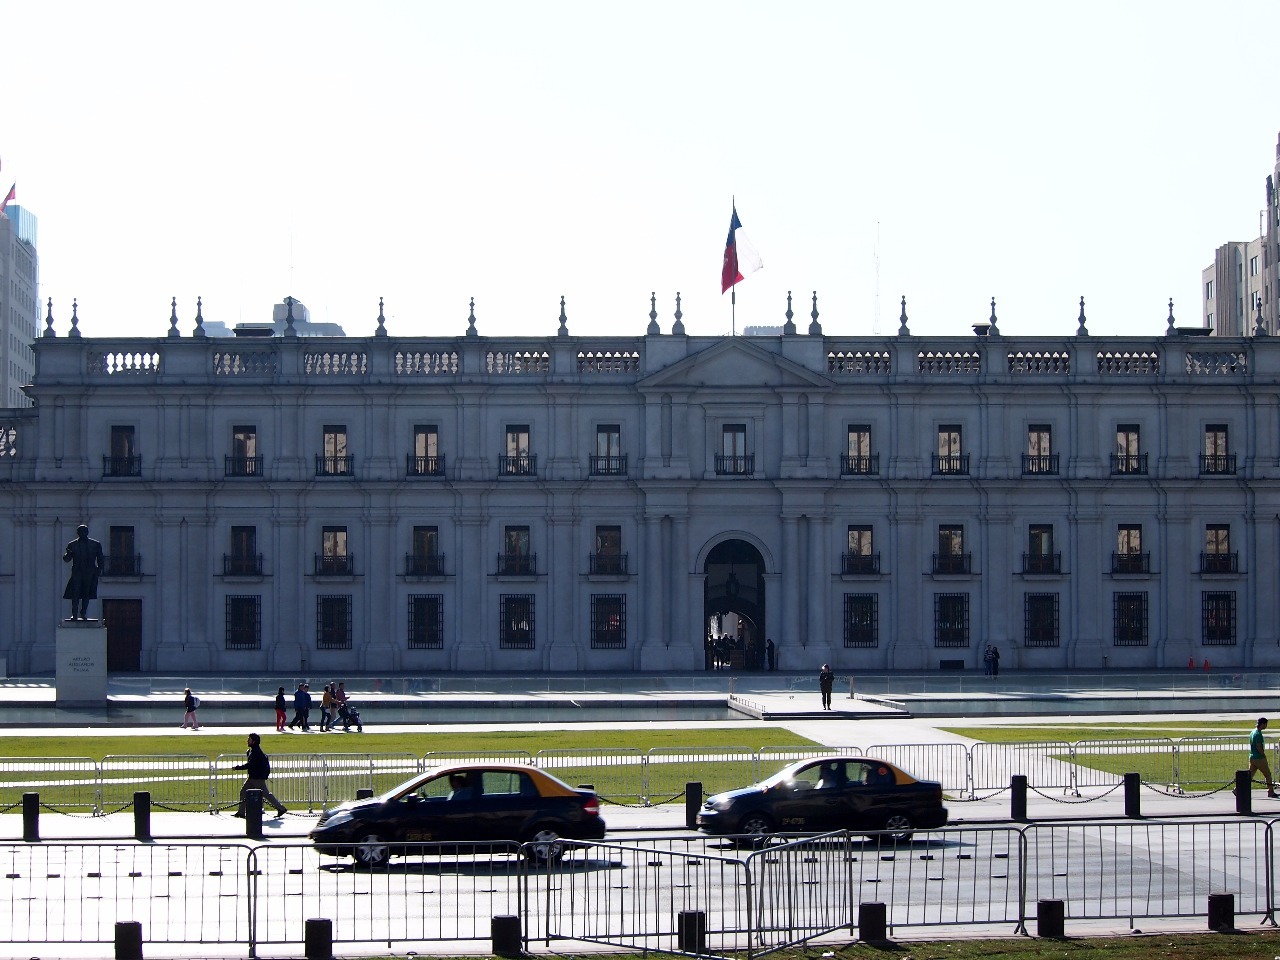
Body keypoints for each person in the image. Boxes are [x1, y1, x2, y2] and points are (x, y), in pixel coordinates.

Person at [232, 733, 288, 817]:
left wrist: (237, 768)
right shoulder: (254, 751)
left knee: (266, 794)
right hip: (253, 778)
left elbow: (250, 765)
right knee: (244, 792)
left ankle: (281, 808)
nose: (247, 740)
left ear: (254, 741)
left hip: (257, 778)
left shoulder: (256, 752)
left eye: (249, 739)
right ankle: (241, 812)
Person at [62, 524, 105, 620]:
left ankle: (83, 613)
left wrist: (99, 570)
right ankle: (74, 614)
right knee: (75, 594)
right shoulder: (72, 545)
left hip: (89, 572)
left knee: (86, 594)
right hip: (77, 572)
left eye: (84, 531)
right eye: (80, 532)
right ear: (78, 533)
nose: (82, 533)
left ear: (87, 532)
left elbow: (100, 558)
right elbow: (67, 559)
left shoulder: (95, 544)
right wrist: (67, 554)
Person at [1249, 717, 1278, 798]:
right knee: (1267, 775)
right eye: (1266, 724)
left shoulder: (1253, 731)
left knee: (1249, 776)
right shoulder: (1258, 734)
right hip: (1259, 758)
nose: (1266, 726)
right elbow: (1259, 746)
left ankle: (1237, 789)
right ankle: (1270, 791)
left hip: (1252, 757)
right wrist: (1263, 755)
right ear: (1262, 724)